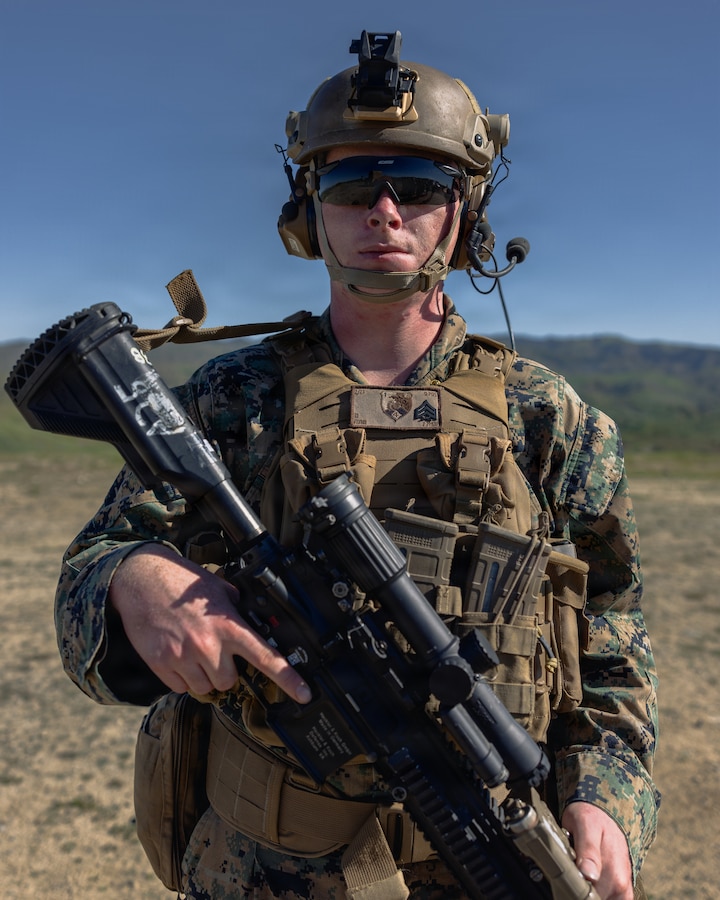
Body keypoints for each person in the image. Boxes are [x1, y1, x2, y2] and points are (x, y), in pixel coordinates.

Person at [55, 30, 659, 900]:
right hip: (265, 869)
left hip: (498, 857)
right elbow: (89, 572)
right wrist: (132, 582)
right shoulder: (236, 398)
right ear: (310, 211)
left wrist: (605, 802)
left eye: (416, 187)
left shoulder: (548, 419)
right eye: (349, 184)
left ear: (467, 210)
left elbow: (612, 643)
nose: (383, 211)